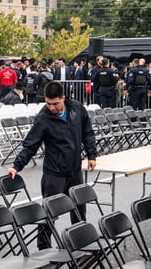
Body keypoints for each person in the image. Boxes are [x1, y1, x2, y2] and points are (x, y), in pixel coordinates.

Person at [7, 81, 98, 249]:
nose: (51, 107)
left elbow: (88, 133)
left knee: (79, 210)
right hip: (54, 173)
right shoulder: (43, 118)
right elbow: (30, 145)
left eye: (55, 103)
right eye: (48, 103)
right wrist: (16, 166)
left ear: (63, 98)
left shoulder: (76, 109)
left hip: (74, 169)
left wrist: (92, 155)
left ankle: (80, 243)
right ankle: (44, 248)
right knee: (49, 212)